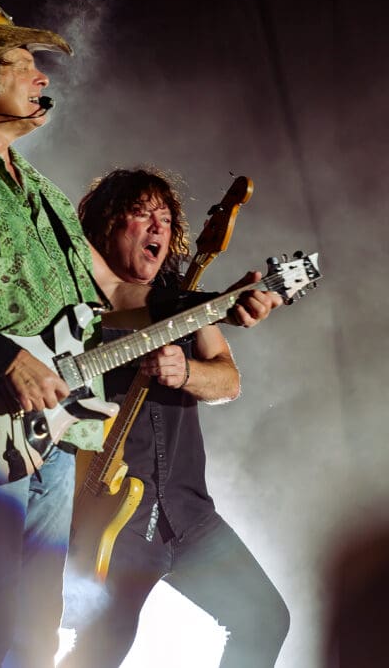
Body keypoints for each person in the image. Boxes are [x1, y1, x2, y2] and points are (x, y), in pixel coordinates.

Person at [0, 5, 278, 668]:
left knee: (37, 632)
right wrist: (4, 358)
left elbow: (118, 292)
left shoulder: (45, 196)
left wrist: (220, 304)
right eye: (23, 65)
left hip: (54, 437)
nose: (40, 76)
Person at [61, 169, 290, 668]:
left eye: (165, 218)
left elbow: (228, 381)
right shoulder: (69, 301)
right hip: (113, 517)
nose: (157, 228)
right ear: (105, 225)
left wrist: (186, 371)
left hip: (187, 513)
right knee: (102, 648)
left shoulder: (183, 304)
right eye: (142, 214)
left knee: (264, 619)